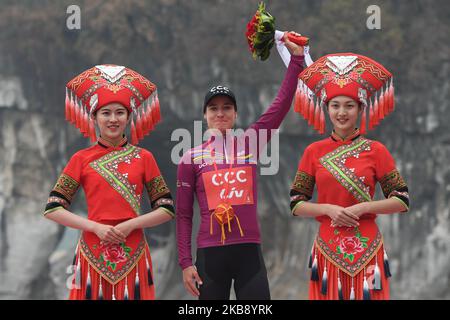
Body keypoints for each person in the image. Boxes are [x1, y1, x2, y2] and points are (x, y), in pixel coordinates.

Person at [176, 32, 305, 300]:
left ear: (236, 114)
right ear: (205, 115)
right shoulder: (190, 157)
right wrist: (186, 263)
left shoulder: (251, 143)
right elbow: (184, 215)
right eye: (213, 109)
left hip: (248, 253)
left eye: (226, 108)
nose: (220, 113)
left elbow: (280, 105)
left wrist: (296, 58)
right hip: (210, 256)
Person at [43, 65, 175, 300]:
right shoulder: (80, 159)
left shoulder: (144, 157)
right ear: (94, 117)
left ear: (129, 117)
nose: (113, 119)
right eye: (105, 113)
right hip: (91, 252)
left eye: (119, 113)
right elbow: (53, 209)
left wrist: (130, 225)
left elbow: (166, 208)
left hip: (134, 251)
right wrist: (95, 227)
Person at [289, 53, 409, 300]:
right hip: (327, 247)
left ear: (361, 108)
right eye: (335, 106)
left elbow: (402, 200)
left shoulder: (377, 150)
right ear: (327, 108)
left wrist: (364, 207)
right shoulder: (313, 152)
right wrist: (329, 209)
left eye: (349, 106)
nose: (341, 112)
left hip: (367, 247)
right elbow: (296, 203)